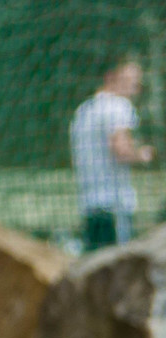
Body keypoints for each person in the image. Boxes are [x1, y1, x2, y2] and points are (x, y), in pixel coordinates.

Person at [72, 58, 154, 250]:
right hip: (114, 206)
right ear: (110, 77)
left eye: (136, 81)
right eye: (129, 80)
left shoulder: (83, 110)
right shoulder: (119, 106)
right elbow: (121, 150)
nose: (134, 87)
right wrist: (142, 155)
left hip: (89, 206)